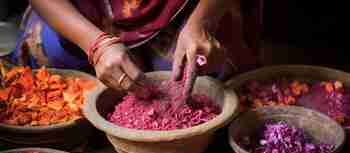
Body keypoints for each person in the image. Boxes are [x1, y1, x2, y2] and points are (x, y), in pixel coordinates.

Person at [10, 0, 262, 97]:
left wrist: (203, 21)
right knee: (51, 54)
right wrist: (96, 45)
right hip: (89, 7)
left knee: (202, 73)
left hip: (184, 7)